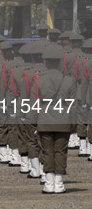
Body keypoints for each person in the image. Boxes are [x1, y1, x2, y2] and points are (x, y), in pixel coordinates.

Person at [29, 46, 76, 194]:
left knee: (47, 151)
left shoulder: (38, 80)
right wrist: (73, 124)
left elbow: (34, 102)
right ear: (60, 63)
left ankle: (49, 183)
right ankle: (59, 184)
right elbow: (73, 106)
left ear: (45, 62)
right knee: (61, 151)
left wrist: (33, 121)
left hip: (45, 118)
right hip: (63, 119)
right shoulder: (69, 80)